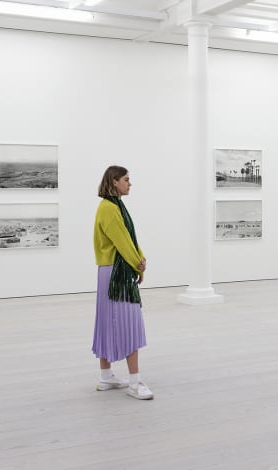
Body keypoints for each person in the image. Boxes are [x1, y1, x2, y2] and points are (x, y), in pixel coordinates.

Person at [91, 166, 152, 400]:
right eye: (126, 180)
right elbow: (122, 241)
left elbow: (128, 237)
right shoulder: (109, 208)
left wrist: (140, 258)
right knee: (129, 323)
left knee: (108, 322)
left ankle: (105, 377)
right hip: (116, 272)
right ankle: (135, 383)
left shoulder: (114, 206)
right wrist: (138, 263)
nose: (130, 183)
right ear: (114, 181)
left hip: (111, 270)